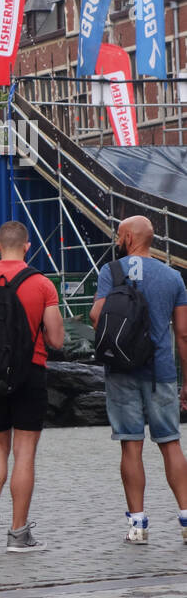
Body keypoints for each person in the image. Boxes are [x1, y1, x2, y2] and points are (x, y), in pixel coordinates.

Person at [0, 221, 63, 552]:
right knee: (25, 451)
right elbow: (57, 340)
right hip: (30, 374)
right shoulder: (42, 284)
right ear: (28, 246)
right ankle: (19, 535)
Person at [89, 215, 187, 545]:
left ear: (129, 237)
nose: (116, 240)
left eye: (119, 235)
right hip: (161, 372)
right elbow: (184, 334)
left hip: (121, 370)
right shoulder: (173, 277)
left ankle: (138, 524)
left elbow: (95, 316)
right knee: (171, 443)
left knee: (131, 445)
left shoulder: (110, 272)